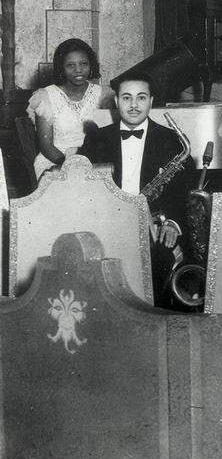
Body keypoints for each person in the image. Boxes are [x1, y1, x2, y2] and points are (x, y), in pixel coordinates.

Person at [77, 72, 191, 307]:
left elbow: (183, 192)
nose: (134, 105)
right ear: (116, 101)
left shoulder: (171, 140)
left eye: (141, 97)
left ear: (151, 101)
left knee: (160, 267)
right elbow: (82, 189)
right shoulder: (96, 139)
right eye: (127, 98)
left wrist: (172, 223)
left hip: (155, 225)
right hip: (109, 223)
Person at [27, 38, 113, 179]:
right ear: (61, 68)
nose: (78, 70)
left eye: (83, 63)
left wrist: (91, 166)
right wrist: (72, 167)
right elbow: (46, 147)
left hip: (96, 162)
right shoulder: (45, 96)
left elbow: (109, 138)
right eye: (70, 65)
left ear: (91, 65)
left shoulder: (103, 94)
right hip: (56, 162)